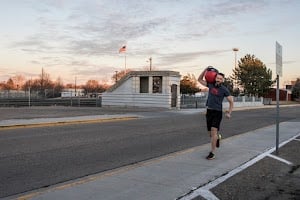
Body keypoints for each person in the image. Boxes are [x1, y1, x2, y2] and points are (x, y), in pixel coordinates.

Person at [198, 66, 234, 160]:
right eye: (217, 78)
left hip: (217, 112)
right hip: (209, 111)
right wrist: (205, 69)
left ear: (223, 80)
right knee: (211, 134)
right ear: (215, 78)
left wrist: (229, 112)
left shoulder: (224, 89)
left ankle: (212, 153)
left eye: (220, 79)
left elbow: (231, 102)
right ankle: (217, 138)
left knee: (213, 132)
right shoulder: (210, 85)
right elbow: (199, 79)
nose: (218, 80)